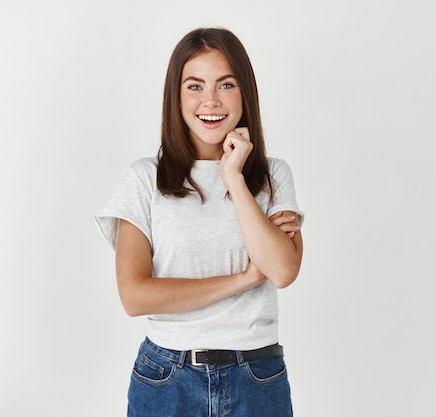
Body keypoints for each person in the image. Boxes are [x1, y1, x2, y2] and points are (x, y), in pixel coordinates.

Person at [96, 27, 303, 417]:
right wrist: (242, 279)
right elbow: (134, 296)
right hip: (167, 377)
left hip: (258, 376)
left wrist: (233, 179)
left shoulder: (273, 175)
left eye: (225, 84)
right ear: (176, 96)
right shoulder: (145, 179)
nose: (210, 101)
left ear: (245, 93)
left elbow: (282, 270)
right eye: (194, 86)